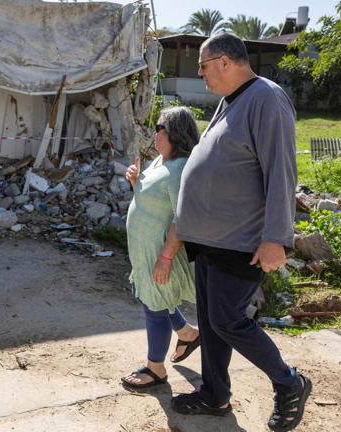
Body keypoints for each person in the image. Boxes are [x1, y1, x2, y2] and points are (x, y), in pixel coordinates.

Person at [172, 33, 312, 432]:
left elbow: (281, 170)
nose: (199, 73)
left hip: (242, 238)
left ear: (225, 62)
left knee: (229, 320)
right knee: (213, 321)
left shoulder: (266, 98)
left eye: (202, 65)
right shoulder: (229, 101)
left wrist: (277, 237)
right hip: (212, 239)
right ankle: (214, 394)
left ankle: (289, 383)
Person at [120, 107, 201, 390]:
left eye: (160, 128)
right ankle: (187, 333)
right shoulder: (161, 160)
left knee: (155, 305)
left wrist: (166, 258)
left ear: (176, 134)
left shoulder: (180, 168)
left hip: (159, 252)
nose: (155, 133)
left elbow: (182, 218)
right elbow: (152, 199)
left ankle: (156, 369)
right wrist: (135, 180)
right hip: (144, 250)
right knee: (147, 295)